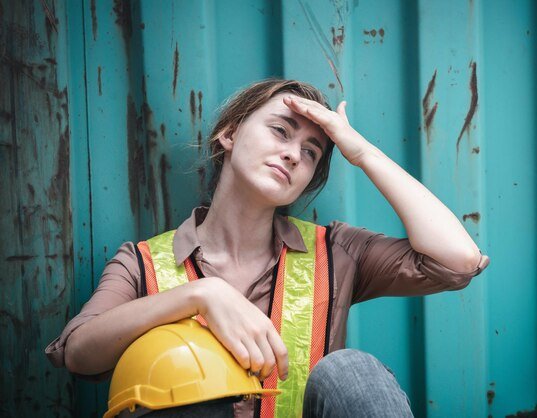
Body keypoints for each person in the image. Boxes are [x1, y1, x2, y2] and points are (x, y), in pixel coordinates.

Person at [46, 78, 490, 417]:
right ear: (230, 134)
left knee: (350, 372)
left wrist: (361, 152)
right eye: (280, 131)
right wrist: (200, 295)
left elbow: (458, 260)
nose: (295, 154)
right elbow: (79, 352)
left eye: (312, 152)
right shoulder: (142, 263)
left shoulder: (335, 250)